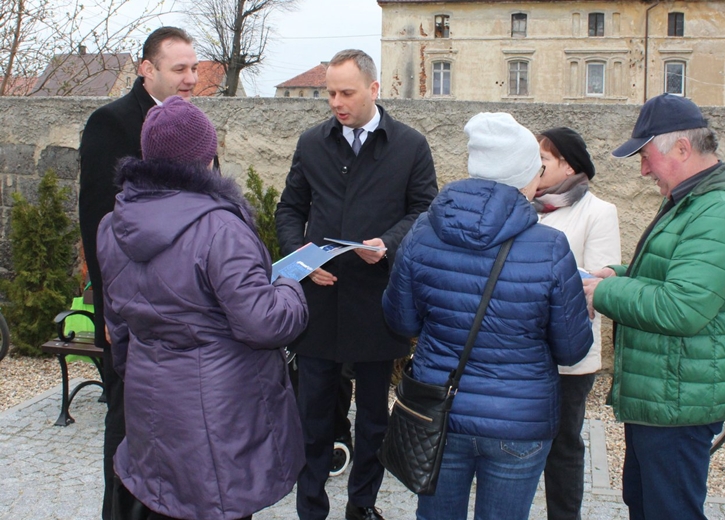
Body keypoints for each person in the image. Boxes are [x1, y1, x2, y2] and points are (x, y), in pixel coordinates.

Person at [97, 96, 309, 520]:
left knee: (162, 502)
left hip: (149, 401)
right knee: (216, 503)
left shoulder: (112, 224)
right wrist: (288, 284)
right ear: (207, 159)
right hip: (220, 411)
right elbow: (264, 324)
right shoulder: (221, 228)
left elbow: (119, 325)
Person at [382, 112, 593, 520]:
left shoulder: (423, 231)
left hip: (438, 410)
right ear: (523, 175)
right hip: (519, 420)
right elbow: (572, 349)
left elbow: (401, 322)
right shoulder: (550, 247)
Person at [582, 93, 725, 519]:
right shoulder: (696, 200)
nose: (644, 170)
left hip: (682, 398)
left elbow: (682, 306)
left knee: (669, 510)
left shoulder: (721, 210)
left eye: (646, 157)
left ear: (682, 148)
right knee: (645, 503)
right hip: (668, 391)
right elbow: (677, 273)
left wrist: (605, 293)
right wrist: (621, 274)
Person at [275, 49, 438, 520]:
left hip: (376, 301)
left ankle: (362, 505)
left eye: (346, 93)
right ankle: (310, 508)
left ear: (374, 89)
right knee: (312, 417)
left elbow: (425, 211)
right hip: (320, 300)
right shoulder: (312, 142)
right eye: (330, 93)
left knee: (372, 420)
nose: (336, 102)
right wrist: (302, 261)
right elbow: (290, 209)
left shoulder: (410, 145)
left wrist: (388, 243)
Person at [79, 26, 198, 519]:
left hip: (181, 315)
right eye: (180, 68)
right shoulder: (110, 123)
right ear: (147, 69)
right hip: (129, 313)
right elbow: (97, 222)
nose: (191, 78)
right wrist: (109, 310)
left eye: (194, 68)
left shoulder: (191, 123)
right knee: (127, 423)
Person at [533, 127, 621, 520]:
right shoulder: (526, 205)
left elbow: (595, 286)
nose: (534, 168)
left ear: (568, 165)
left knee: (563, 444)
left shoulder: (598, 212)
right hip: (524, 347)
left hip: (570, 354)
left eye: (543, 161)